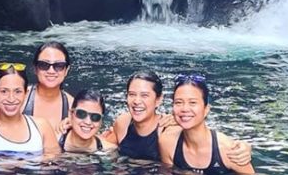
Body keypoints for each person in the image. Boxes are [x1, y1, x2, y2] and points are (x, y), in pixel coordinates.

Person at [105, 70, 254, 168]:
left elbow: (201, 135)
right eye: (132, 94)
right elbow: (98, 142)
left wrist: (242, 145)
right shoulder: (123, 122)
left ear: (158, 100)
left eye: (144, 95)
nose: (137, 101)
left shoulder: (170, 128)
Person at [0, 40, 74, 142]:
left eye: (59, 66)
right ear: (35, 69)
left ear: (66, 70)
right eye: (44, 65)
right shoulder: (18, 97)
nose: (51, 71)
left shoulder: (73, 106)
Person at [159, 73, 256, 175]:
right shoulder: (167, 142)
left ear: (206, 109)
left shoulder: (228, 150)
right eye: (178, 102)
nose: (185, 109)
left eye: (192, 103)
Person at [58, 88, 114, 155]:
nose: (88, 122)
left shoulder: (109, 149)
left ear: (101, 121)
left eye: (95, 117)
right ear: (70, 114)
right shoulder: (52, 142)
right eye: (81, 114)